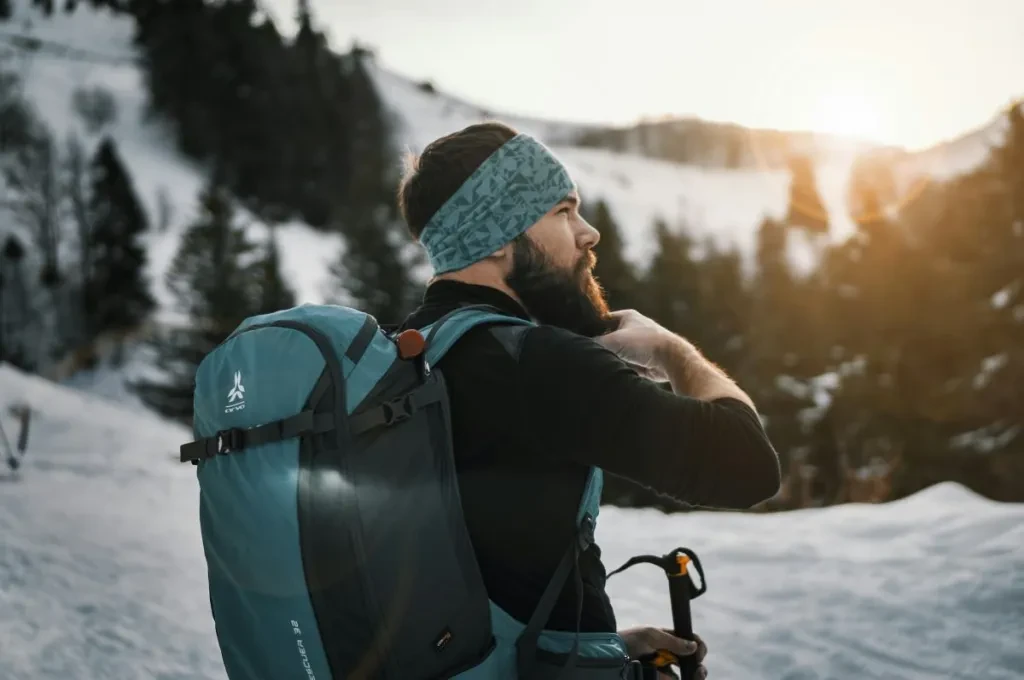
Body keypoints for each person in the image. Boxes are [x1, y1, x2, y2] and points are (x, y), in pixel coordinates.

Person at [394, 121, 781, 678]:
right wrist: (673, 353)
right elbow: (748, 465)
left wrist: (606, 646)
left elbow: (482, 564)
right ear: (499, 234)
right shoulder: (539, 363)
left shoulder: (400, 359)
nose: (589, 232)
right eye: (563, 211)